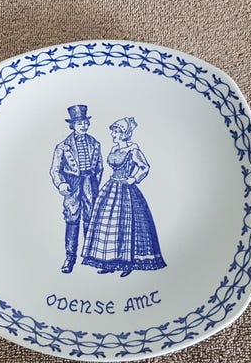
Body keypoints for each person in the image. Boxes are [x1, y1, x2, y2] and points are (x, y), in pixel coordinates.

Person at [82, 117, 166, 277]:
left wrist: (133, 178)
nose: (113, 134)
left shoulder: (133, 149)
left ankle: (128, 263)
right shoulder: (114, 148)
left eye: (116, 131)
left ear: (124, 133)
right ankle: (109, 262)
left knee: (125, 225)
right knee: (108, 225)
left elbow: (144, 167)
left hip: (126, 190)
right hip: (111, 186)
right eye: (113, 131)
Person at [50, 105, 103, 273]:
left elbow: (99, 168)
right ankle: (70, 257)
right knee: (72, 219)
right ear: (72, 125)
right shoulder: (62, 146)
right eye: (80, 123)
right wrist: (61, 183)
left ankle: (90, 255)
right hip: (72, 185)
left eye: (86, 122)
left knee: (90, 218)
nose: (84, 126)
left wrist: (95, 186)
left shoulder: (95, 143)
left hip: (89, 184)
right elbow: (55, 170)